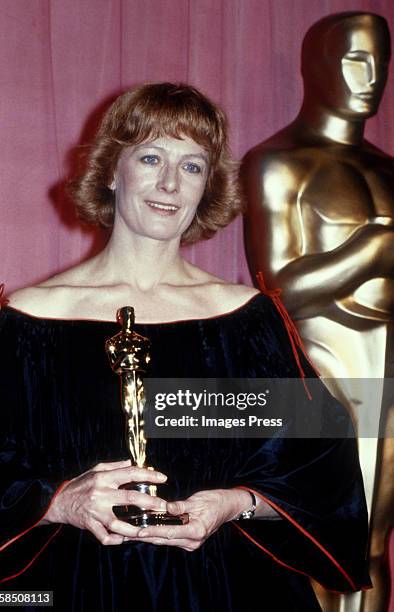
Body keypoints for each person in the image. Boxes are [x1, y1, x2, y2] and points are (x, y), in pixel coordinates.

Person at [0, 82, 370, 611]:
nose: (169, 182)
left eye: (192, 166)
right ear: (111, 171)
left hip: (229, 588)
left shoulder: (245, 319)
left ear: (207, 187)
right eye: (150, 157)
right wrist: (57, 502)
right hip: (67, 589)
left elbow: (324, 462)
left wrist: (235, 504)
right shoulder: (28, 320)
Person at [242, 12, 393, 611]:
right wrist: (375, 246)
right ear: (317, 68)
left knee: (377, 544)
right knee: (320, 535)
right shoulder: (279, 162)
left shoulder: (388, 169)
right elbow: (275, 287)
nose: (373, 77)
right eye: (356, 60)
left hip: (389, 364)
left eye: (382, 61)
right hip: (325, 362)